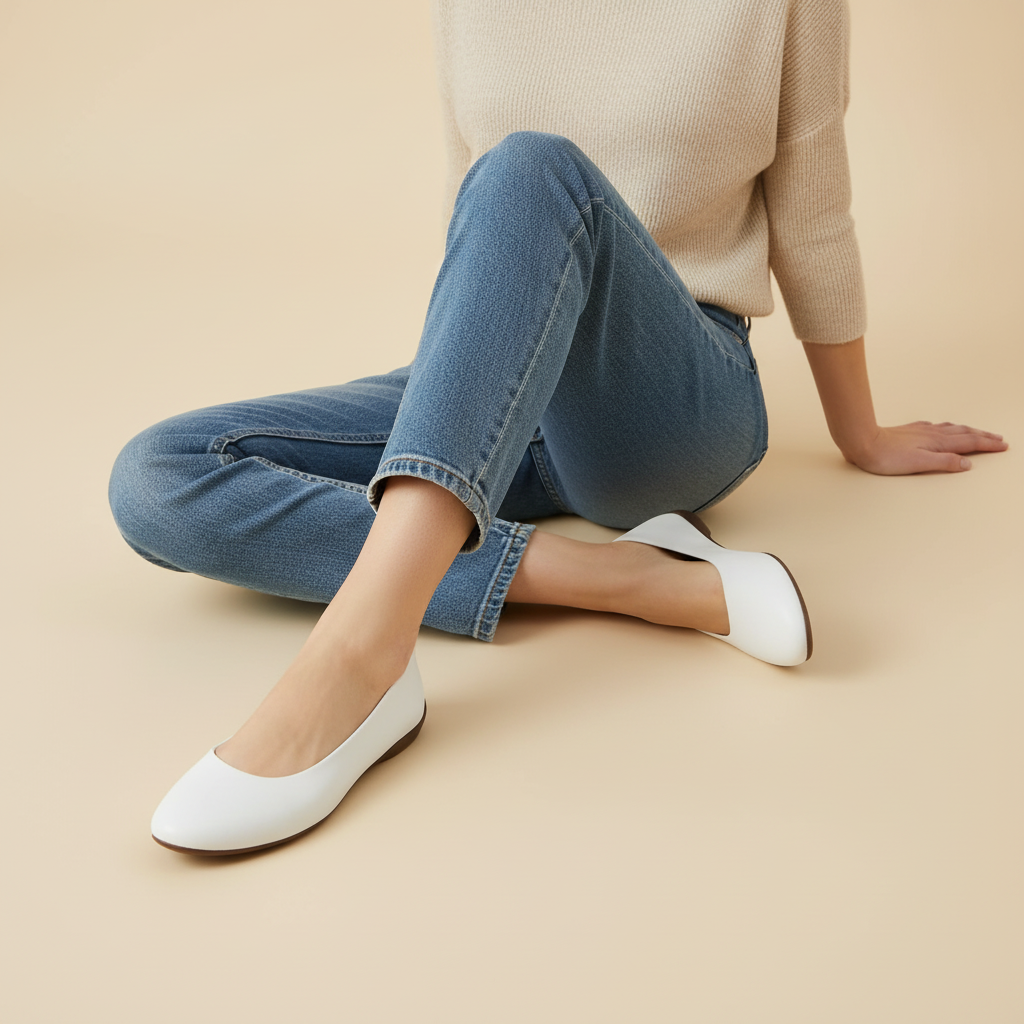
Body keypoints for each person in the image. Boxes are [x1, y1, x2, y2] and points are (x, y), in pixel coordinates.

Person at [108, 0, 1007, 855]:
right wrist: (470, 394)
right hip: (510, 371)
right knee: (162, 474)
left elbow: (814, 214)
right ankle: (632, 579)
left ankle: (359, 657)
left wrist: (862, 432)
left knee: (529, 165)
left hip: (671, 390)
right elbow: (476, 215)